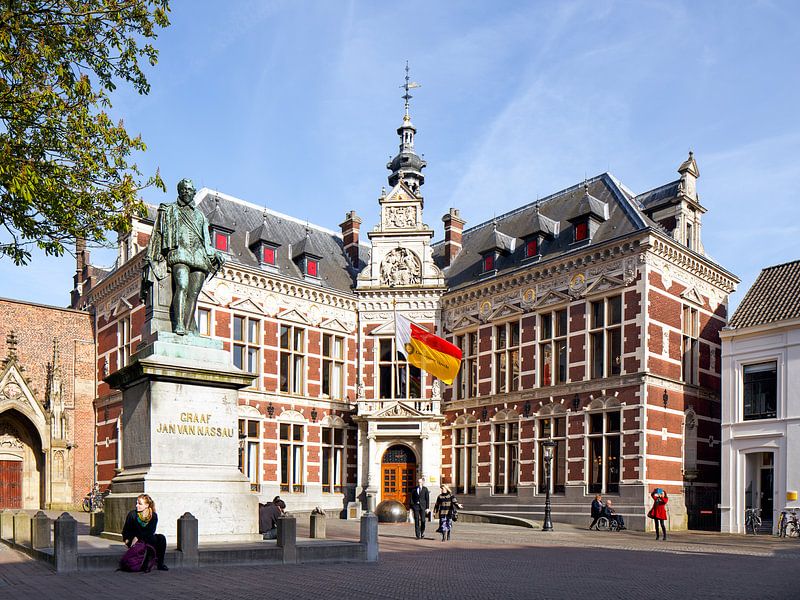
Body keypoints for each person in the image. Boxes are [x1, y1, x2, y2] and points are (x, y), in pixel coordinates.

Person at [141, 178, 225, 335]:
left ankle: (187, 327)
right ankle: (178, 324)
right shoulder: (170, 209)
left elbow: (207, 243)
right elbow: (158, 234)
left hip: (199, 257)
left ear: (193, 192)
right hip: (180, 253)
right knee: (182, 286)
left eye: (189, 189)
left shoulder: (201, 216)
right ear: (179, 191)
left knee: (193, 294)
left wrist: (216, 253)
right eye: (183, 189)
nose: (186, 191)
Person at [122, 494, 168, 571]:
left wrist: (138, 537)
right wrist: (126, 540)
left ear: (146, 505)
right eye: (136, 503)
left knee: (161, 538)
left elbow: (150, 531)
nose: (137, 505)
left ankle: (160, 564)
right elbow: (126, 530)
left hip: (145, 537)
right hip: (133, 539)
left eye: (140, 504)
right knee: (149, 540)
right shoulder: (132, 515)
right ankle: (145, 564)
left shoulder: (153, 516)